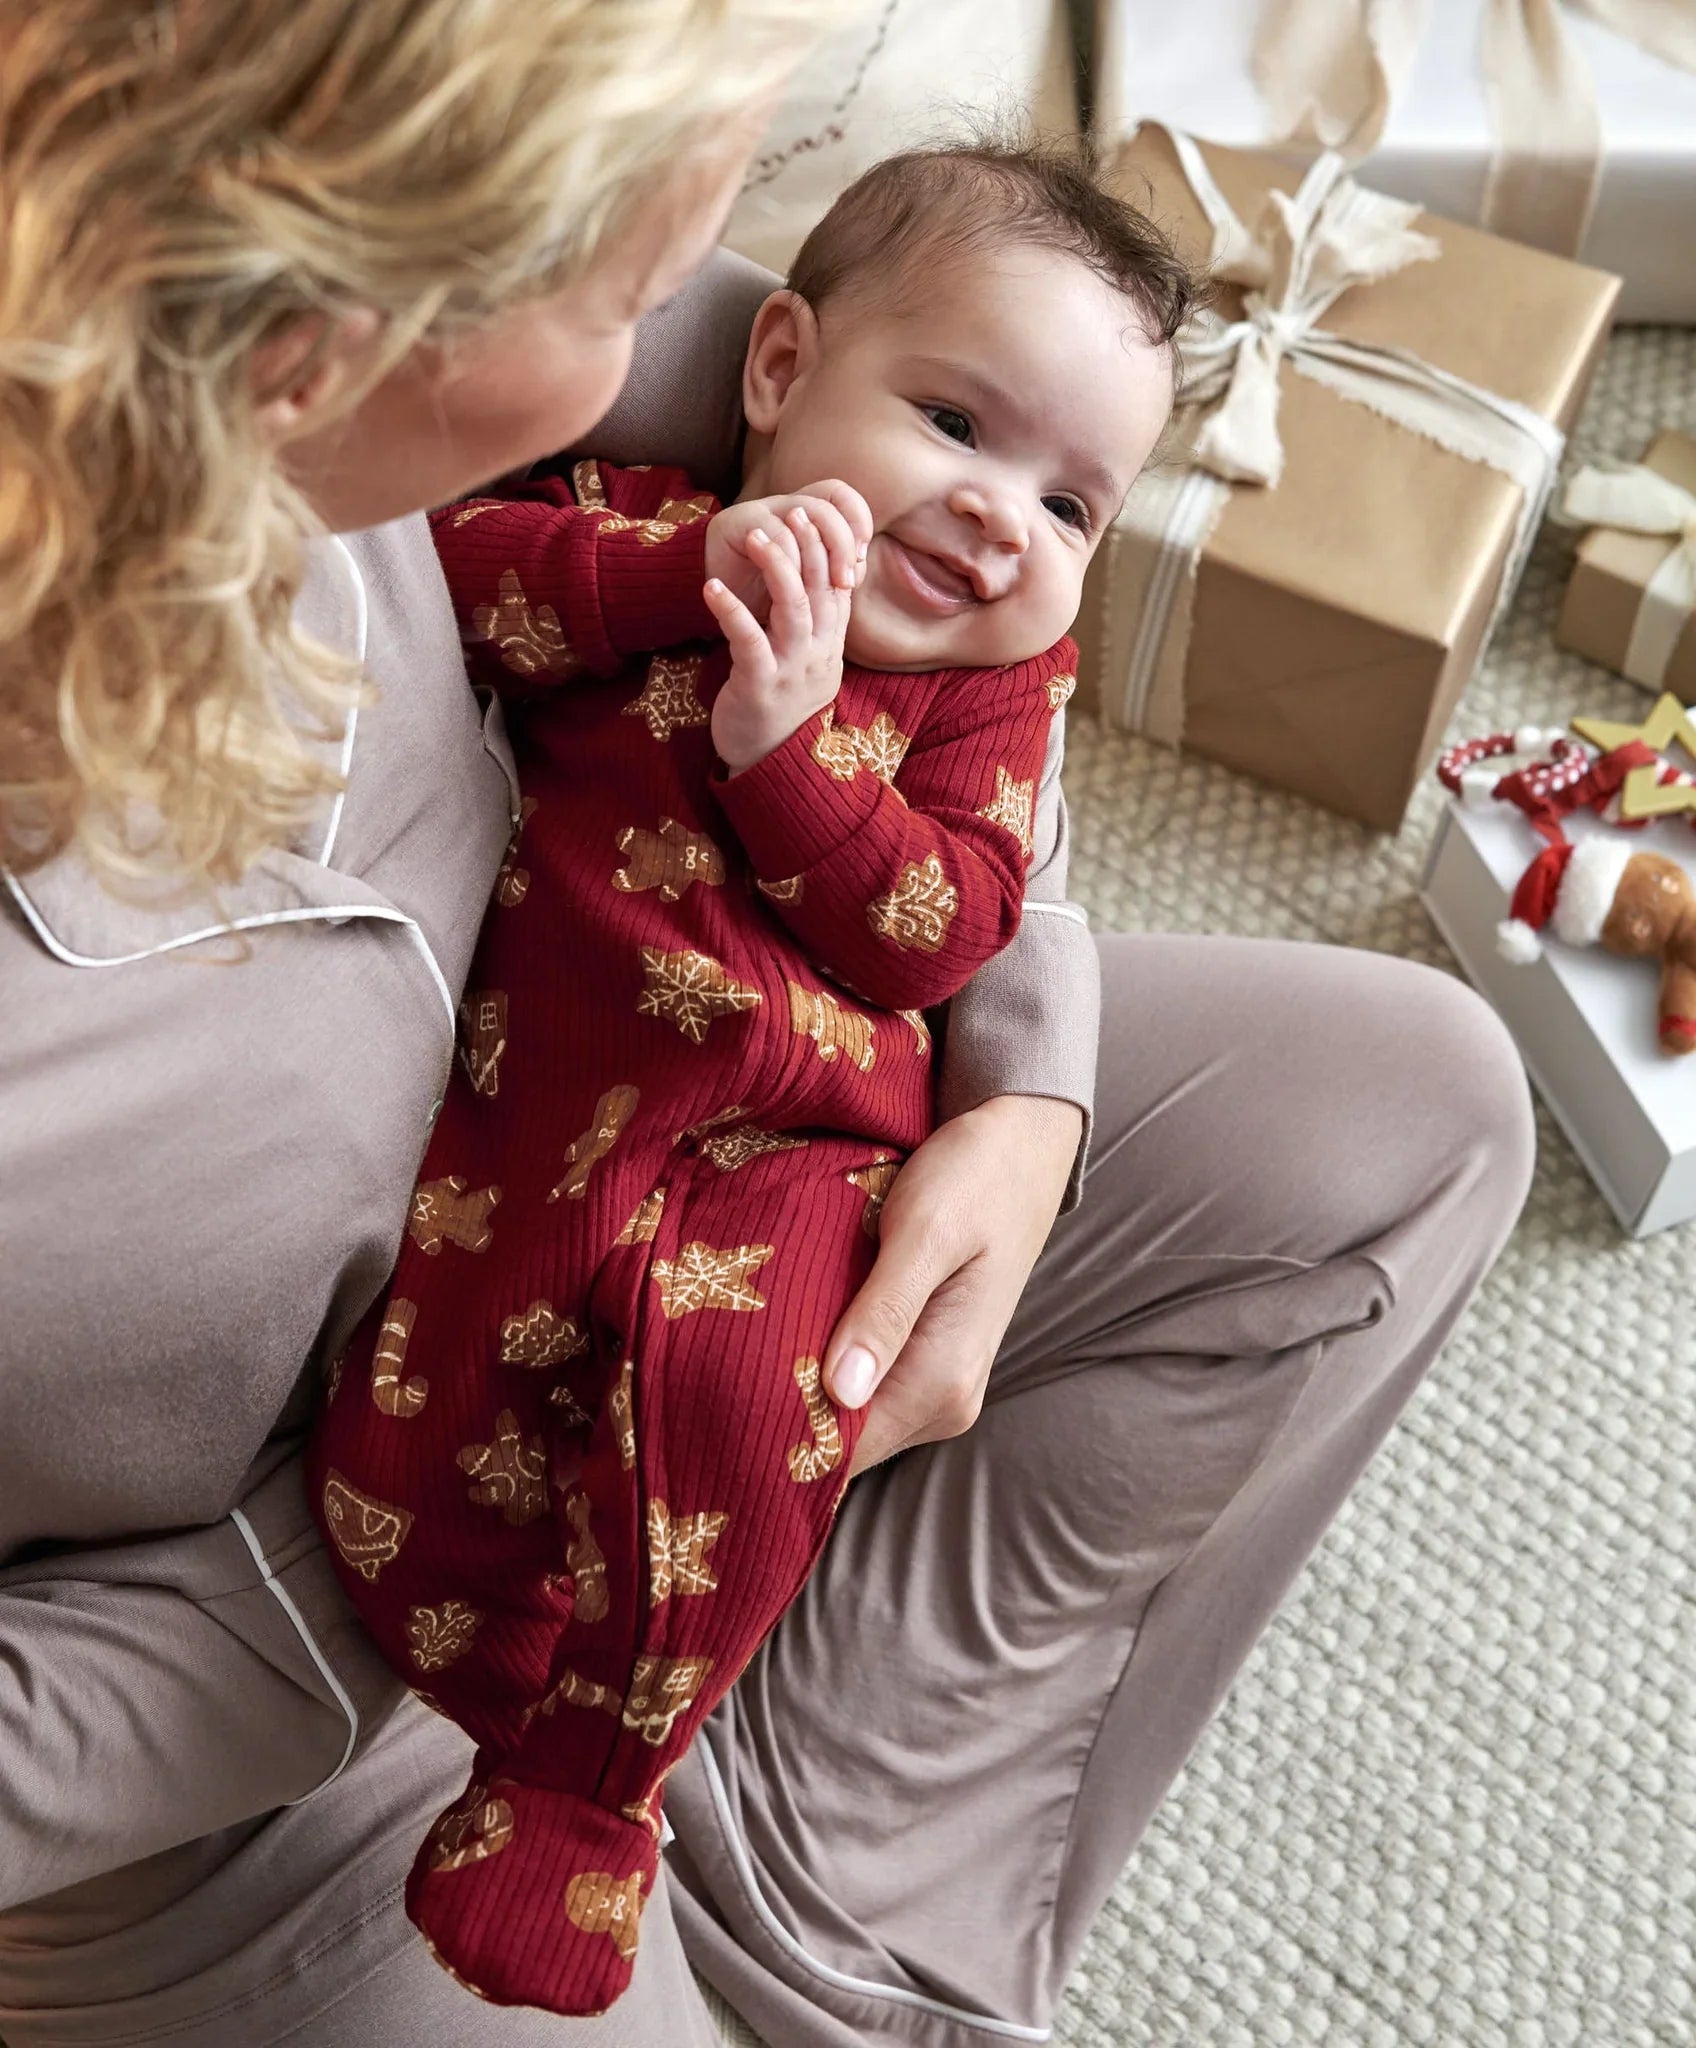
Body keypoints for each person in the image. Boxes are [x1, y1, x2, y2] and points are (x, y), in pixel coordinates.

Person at [0, 4, 1535, 2045]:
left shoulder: (435, 379)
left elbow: (954, 590)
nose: (699, 323)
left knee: (1412, 1110)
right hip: (298, 1675)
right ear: (346, 290)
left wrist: (1025, 1094)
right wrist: (358, 1589)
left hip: (742, 1114)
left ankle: (789, 1849)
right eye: (639, 278)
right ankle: (641, 1798)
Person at [308, 139, 1189, 2017]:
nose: (999, 521)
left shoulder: (985, 700)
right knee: (447, 1392)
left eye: (1074, 505)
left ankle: (586, 1788)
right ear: (776, 369)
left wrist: (793, 756)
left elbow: (952, 926)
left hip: (802, 1156)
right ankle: (482, 1677)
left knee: (753, 1392)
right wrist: (670, 580)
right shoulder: (652, 528)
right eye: (954, 421)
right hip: (546, 1112)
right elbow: (456, 591)